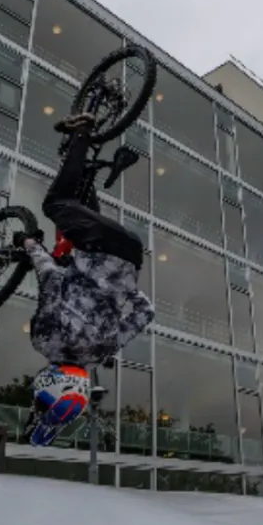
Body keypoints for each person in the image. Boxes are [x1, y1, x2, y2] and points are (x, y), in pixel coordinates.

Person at [20, 112, 155, 446]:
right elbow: (50, 278)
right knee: (55, 203)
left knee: (81, 210)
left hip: (130, 253)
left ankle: (89, 174)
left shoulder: (101, 351)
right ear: (52, 384)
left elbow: (146, 311)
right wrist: (30, 245)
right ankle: (83, 130)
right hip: (97, 246)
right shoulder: (46, 341)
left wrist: (121, 285)